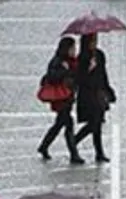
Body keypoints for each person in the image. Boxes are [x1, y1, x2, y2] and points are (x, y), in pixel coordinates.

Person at [38, 37, 85, 165]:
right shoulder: (58, 61)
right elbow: (52, 77)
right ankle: (74, 155)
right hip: (61, 99)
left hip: (68, 98)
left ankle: (44, 146)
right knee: (68, 124)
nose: (74, 50)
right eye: (72, 48)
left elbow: (76, 76)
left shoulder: (72, 62)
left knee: (59, 124)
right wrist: (65, 70)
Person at [72, 33, 117, 163]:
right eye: (92, 41)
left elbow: (103, 75)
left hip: (99, 94)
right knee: (93, 123)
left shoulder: (100, 55)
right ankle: (74, 141)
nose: (94, 43)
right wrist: (88, 68)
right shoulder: (82, 58)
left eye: (96, 40)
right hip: (87, 96)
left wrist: (108, 90)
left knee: (97, 124)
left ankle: (99, 152)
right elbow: (80, 79)